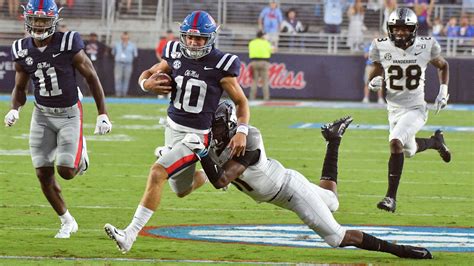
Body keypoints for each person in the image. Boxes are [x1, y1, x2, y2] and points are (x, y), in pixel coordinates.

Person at [180, 101, 433, 259]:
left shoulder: (249, 140)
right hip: (281, 187)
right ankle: (334, 140)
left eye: (219, 128)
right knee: (331, 201)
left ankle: (401, 251)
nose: (214, 133)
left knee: (337, 237)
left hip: (289, 190)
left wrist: (200, 153)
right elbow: (206, 166)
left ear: (232, 125)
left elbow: (221, 180)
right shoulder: (217, 143)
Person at [103, 10, 250, 253]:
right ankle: (215, 174)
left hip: (196, 136)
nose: (193, 42)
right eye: (190, 37)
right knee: (181, 190)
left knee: (157, 172)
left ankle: (129, 234)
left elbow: (242, 102)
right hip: (171, 129)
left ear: (210, 38)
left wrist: (242, 130)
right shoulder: (173, 52)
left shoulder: (221, 64)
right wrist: (145, 84)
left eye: (200, 38)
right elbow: (149, 74)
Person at [4, 0, 112, 238]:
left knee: (66, 170)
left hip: (69, 112)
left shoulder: (68, 42)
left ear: (54, 20)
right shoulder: (22, 48)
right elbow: (20, 86)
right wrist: (15, 109)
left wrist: (102, 113)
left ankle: (80, 154)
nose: (39, 24)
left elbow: (91, 76)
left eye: (44, 20)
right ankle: (67, 220)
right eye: (35, 19)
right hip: (41, 113)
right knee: (42, 173)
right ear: (27, 19)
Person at [367, 8, 451, 213]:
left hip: (415, 108)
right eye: (397, 29)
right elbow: (375, 72)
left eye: (405, 29)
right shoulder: (380, 46)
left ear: (413, 30)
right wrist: (373, 83)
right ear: (390, 29)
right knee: (409, 150)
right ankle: (435, 142)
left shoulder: (426, 45)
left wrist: (443, 91)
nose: (401, 33)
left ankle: (390, 198)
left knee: (395, 142)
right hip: (393, 110)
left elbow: (443, 65)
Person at [248, 30, 273, 101]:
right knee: (265, 81)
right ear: (262, 36)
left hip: (254, 62)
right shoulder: (266, 43)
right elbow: (272, 50)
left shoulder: (252, 42)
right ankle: (266, 97)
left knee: (254, 81)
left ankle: (252, 97)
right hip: (264, 62)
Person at [112, 31, 138, 97]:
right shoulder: (117, 44)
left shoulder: (132, 45)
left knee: (126, 78)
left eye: (126, 36)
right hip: (118, 63)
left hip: (128, 64)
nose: (125, 38)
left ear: (128, 37)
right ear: (121, 37)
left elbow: (135, 55)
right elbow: (113, 53)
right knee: (118, 78)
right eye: (123, 36)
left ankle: (124, 94)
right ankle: (118, 94)